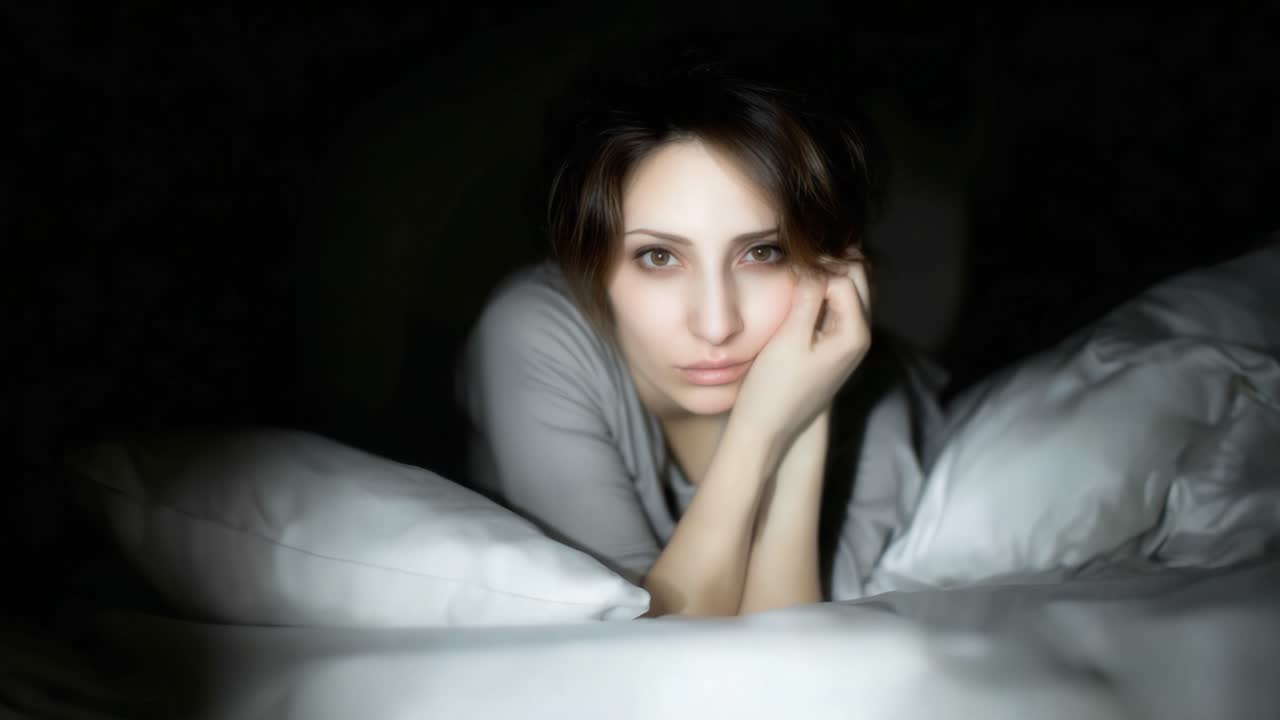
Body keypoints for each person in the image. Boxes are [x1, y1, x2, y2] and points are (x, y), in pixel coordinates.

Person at [456, 43, 891, 617]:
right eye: (659, 257)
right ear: (587, 264)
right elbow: (644, 646)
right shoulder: (537, 335)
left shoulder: (878, 401)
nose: (716, 325)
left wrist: (808, 420)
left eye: (762, 251)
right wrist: (761, 433)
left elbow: (782, 647)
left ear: (834, 265)